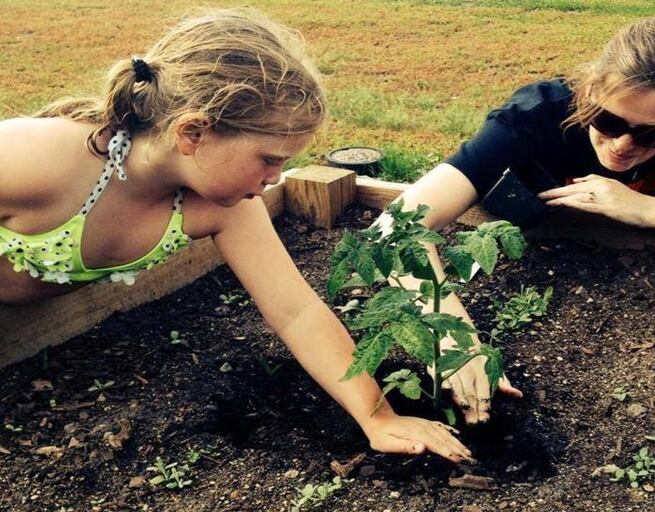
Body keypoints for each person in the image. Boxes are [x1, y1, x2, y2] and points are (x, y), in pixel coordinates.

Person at [0, 9, 472, 463]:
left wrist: (378, 417)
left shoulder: (224, 205)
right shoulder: (36, 159)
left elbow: (296, 311)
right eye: (270, 159)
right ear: (193, 133)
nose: (275, 178)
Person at [380, 16, 655, 424]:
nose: (621, 145)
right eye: (608, 121)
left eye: (654, 135)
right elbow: (394, 230)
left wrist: (650, 211)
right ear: (591, 89)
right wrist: (454, 341)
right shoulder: (532, 119)